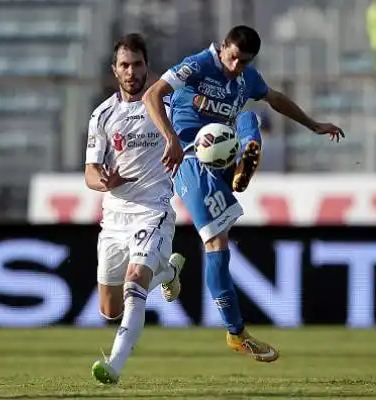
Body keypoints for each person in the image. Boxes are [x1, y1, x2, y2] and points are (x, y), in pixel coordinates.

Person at [142, 25, 344, 362]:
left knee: (250, 115)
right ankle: (236, 333)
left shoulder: (247, 78)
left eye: (244, 61)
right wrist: (170, 139)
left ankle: (241, 168)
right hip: (189, 156)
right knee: (216, 241)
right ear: (223, 47)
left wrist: (314, 124)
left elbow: (275, 98)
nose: (236, 66)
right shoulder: (198, 65)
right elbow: (153, 94)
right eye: (233, 57)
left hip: (219, 153)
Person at [85, 33, 185, 384]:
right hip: (114, 218)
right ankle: (168, 274)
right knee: (109, 309)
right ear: (115, 70)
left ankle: (113, 366)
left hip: (152, 210)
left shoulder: (165, 108)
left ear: (147, 66)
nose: (131, 71)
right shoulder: (102, 115)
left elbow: (197, 137)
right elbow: (90, 173)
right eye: (124, 65)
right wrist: (103, 182)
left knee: (133, 284)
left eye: (137, 64)